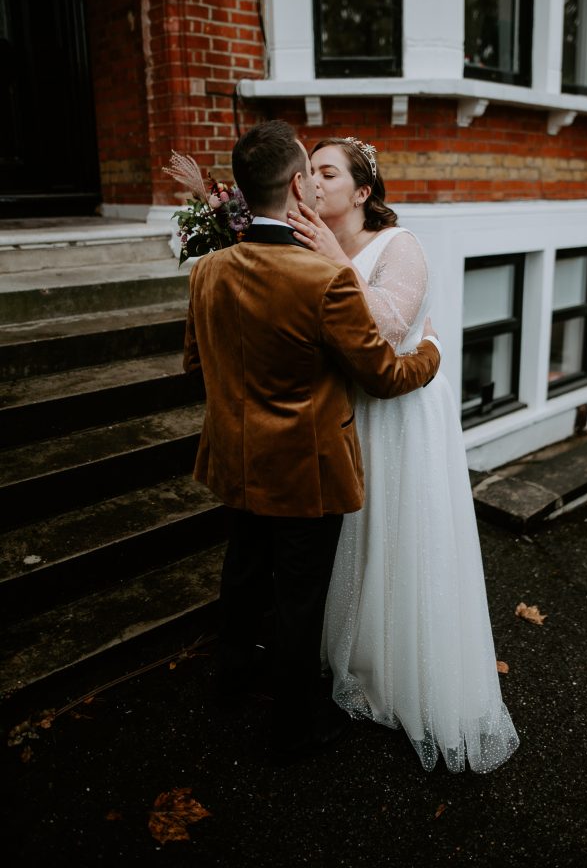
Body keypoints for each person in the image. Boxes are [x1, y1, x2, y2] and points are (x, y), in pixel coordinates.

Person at [182, 120, 441, 765]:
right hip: (305, 469)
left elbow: (196, 366)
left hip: (235, 462)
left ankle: (230, 684)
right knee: (298, 601)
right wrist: (432, 354)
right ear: (295, 184)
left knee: (242, 578)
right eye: (313, 171)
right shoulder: (322, 281)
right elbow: (383, 375)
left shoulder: (209, 269)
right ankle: (295, 726)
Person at [287, 136, 519, 773]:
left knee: (406, 537)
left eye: (327, 172)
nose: (313, 180)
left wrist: (335, 257)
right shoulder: (302, 241)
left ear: (362, 192)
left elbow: (388, 330)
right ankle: (363, 656)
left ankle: (414, 673)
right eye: (308, 171)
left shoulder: (400, 245)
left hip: (403, 410)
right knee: (360, 536)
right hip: (347, 409)